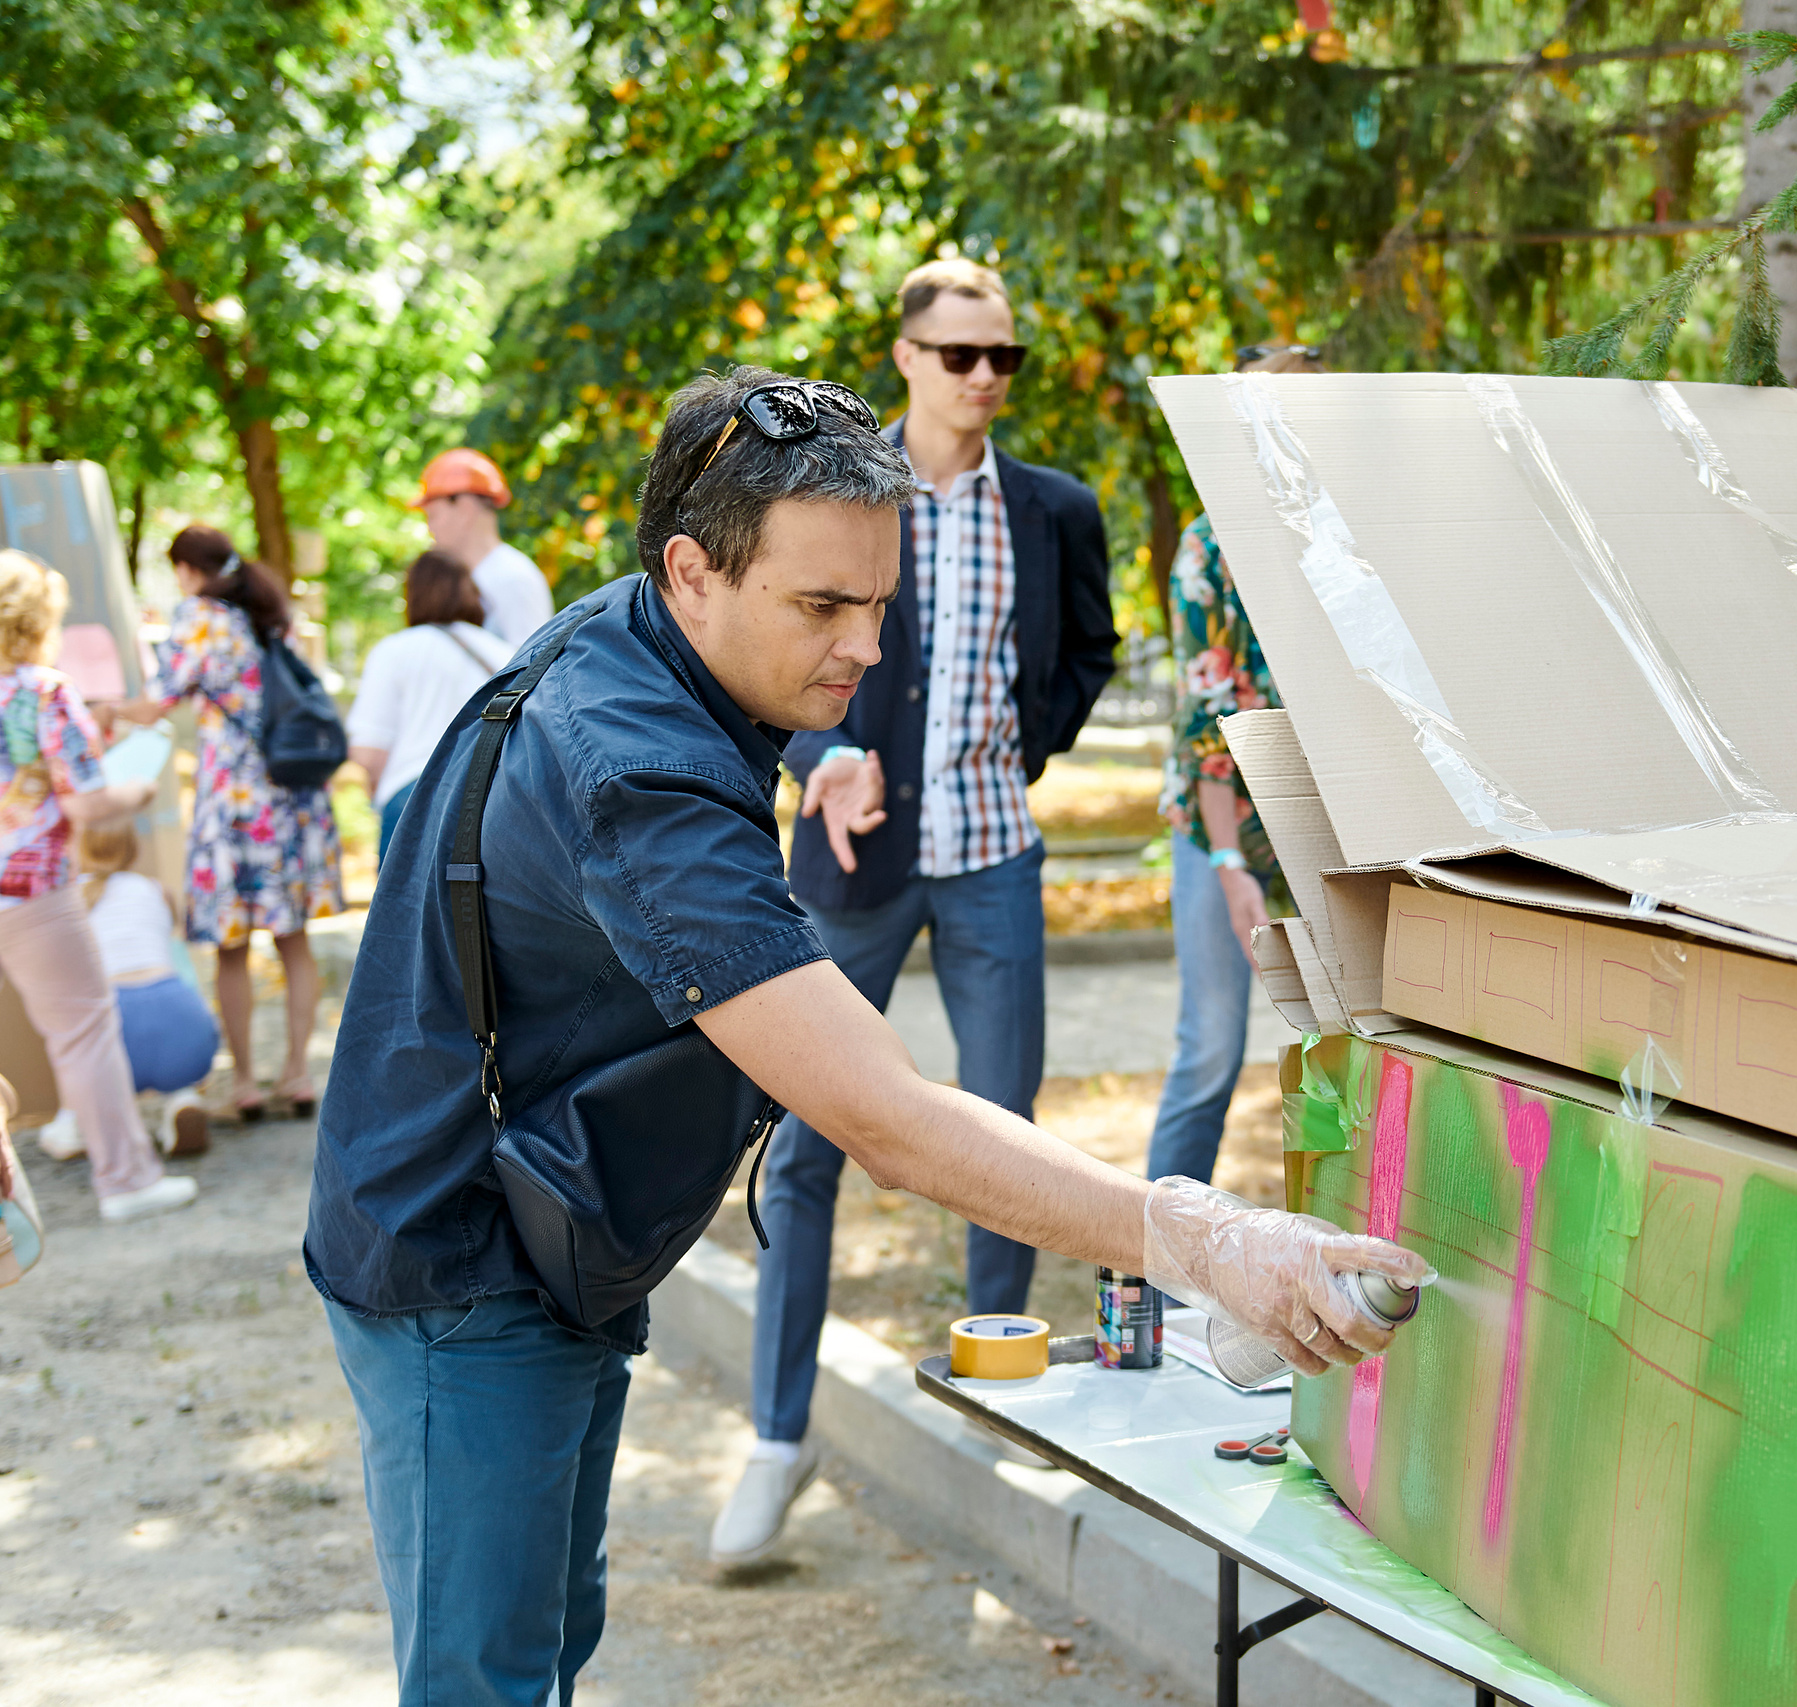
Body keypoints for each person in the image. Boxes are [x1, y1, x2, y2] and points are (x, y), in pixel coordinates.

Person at [305, 364, 1421, 1705]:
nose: (867, 647)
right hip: (461, 1258)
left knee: (549, 1634)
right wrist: (1206, 1240)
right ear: (692, 570)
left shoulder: (643, 640)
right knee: (484, 1678)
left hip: (552, 1229)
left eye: (881, 602)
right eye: (824, 606)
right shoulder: (639, 774)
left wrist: (811, 756)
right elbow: (885, 1119)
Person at [713, 260, 1119, 1563]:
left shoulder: (1056, 509)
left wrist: (1023, 743)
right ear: (906, 356)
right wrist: (818, 754)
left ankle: (998, 1407)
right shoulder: (830, 497)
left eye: (1004, 355)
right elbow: (760, 653)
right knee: (805, 1143)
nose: (984, 376)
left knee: (1004, 1133)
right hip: (857, 858)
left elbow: (1086, 652)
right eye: (959, 354)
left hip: (995, 851)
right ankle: (777, 1434)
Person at [1143, 341, 1318, 1193]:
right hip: (1225, 829)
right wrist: (1226, 861)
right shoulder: (1206, 547)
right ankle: (1151, 1251)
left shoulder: (1334, 541)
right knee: (1212, 1048)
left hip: (1320, 832)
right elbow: (1208, 716)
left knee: (1341, 1044)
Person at [0, 549, 194, 1222]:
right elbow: (84, 801)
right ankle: (126, 1178)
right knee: (84, 1029)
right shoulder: (43, 690)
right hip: (30, 888)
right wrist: (135, 791)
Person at [150, 526, 343, 1122]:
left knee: (230, 947)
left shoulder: (198, 617)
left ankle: (244, 1084)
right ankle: (298, 1073)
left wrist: (106, 713)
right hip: (291, 797)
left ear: (187, 569)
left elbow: (159, 697)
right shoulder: (271, 617)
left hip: (233, 801)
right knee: (294, 940)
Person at [346, 549, 511, 850]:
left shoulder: (394, 651)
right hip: (494, 801)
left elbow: (368, 753)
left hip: (413, 798)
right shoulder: (505, 654)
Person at [77, 820, 219, 1156]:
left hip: (116, 1022)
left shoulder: (73, 896)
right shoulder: (156, 890)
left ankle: (79, 1124)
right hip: (183, 1018)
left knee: (77, 1048)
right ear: (134, 849)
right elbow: (175, 948)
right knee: (176, 1069)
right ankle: (183, 1100)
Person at [412, 448, 555, 651]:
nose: (430, 527)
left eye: (433, 515)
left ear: (465, 508)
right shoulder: (468, 577)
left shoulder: (513, 578)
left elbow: (533, 664)